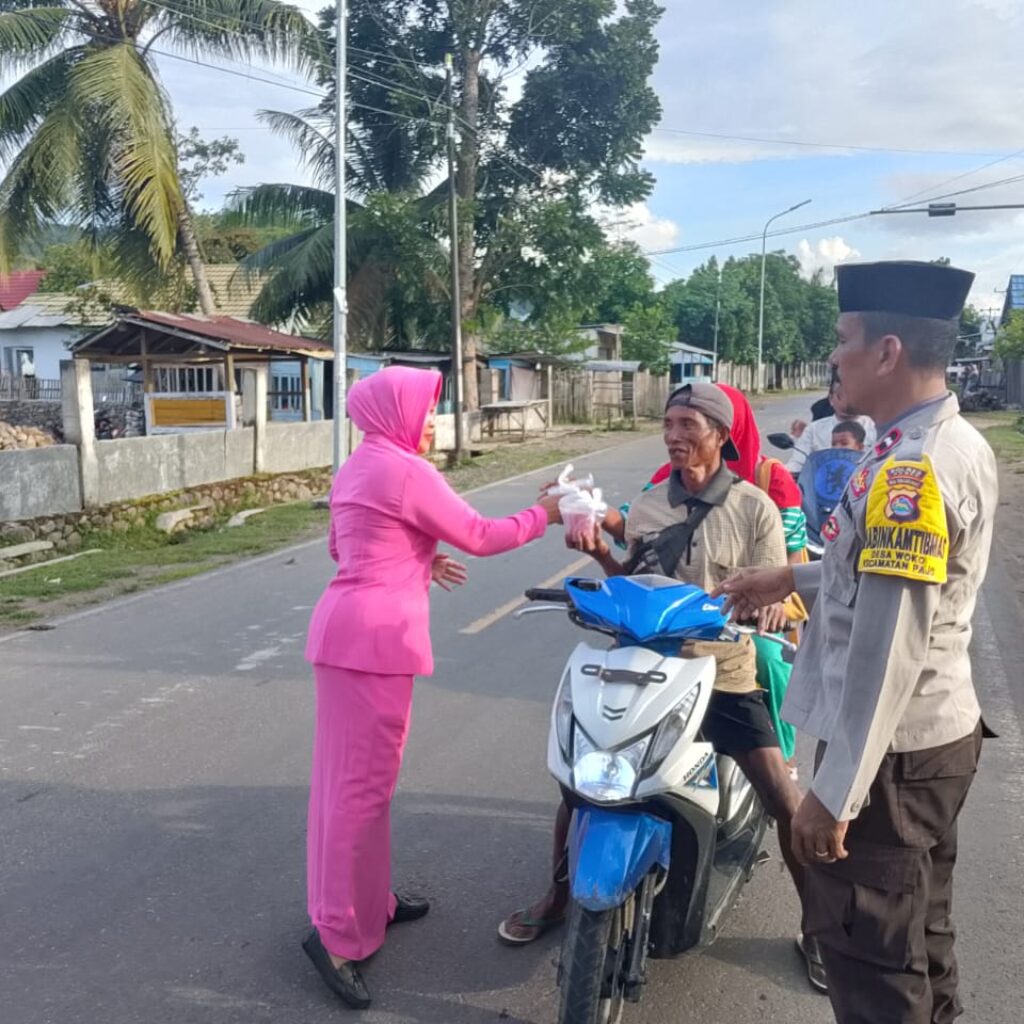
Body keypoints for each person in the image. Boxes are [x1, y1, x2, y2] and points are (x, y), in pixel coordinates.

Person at [715, 260, 998, 1024]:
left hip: (890, 759)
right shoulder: (933, 441)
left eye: (843, 340)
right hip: (930, 745)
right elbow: (875, 580)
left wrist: (835, 794)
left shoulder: (915, 471)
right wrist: (789, 579)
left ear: (888, 352)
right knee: (920, 938)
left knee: (874, 964)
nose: (833, 355)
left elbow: (890, 641)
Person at [498, 383, 811, 978]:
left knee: (782, 797)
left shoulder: (754, 507)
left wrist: (771, 606)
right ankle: (560, 898)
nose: (674, 437)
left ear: (719, 434)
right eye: (669, 425)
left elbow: (782, 585)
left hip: (722, 671)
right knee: (579, 789)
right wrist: (597, 556)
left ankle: (819, 924)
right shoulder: (647, 506)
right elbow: (632, 582)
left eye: (689, 425)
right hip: (643, 669)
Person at [302, 366, 562, 1009]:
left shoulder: (359, 464)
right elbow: (480, 534)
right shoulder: (404, 469)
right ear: (397, 412)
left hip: (343, 633)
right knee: (360, 795)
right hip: (376, 644)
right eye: (423, 411)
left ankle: (370, 906)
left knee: (352, 787)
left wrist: (417, 556)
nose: (428, 423)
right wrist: (544, 512)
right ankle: (336, 935)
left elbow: (347, 547)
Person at [787, 378, 876, 477]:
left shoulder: (876, 428)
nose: (848, 400)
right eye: (841, 396)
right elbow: (798, 462)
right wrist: (783, 472)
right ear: (831, 399)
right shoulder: (814, 429)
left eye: (853, 395)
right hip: (821, 487)